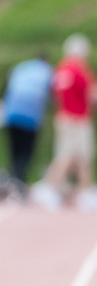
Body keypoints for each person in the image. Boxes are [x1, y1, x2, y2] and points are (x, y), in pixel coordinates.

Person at [33, 33, 97, 212]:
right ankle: (48, 187)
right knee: (70, 155)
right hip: (77, 118)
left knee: (82, 156)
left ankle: (86, 191)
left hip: (65, 116)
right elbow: (93, 93)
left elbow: (55, 94)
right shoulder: (78, 69)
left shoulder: (61, 68)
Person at [1, 51, 54, 197]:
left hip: (11, 113)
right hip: (30, 116)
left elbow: (8, 88)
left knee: (14, 150)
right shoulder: (47, 71)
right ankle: (18, 183)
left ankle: (10, 180)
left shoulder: (20, 68)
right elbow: (53, 93)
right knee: (26, 152)